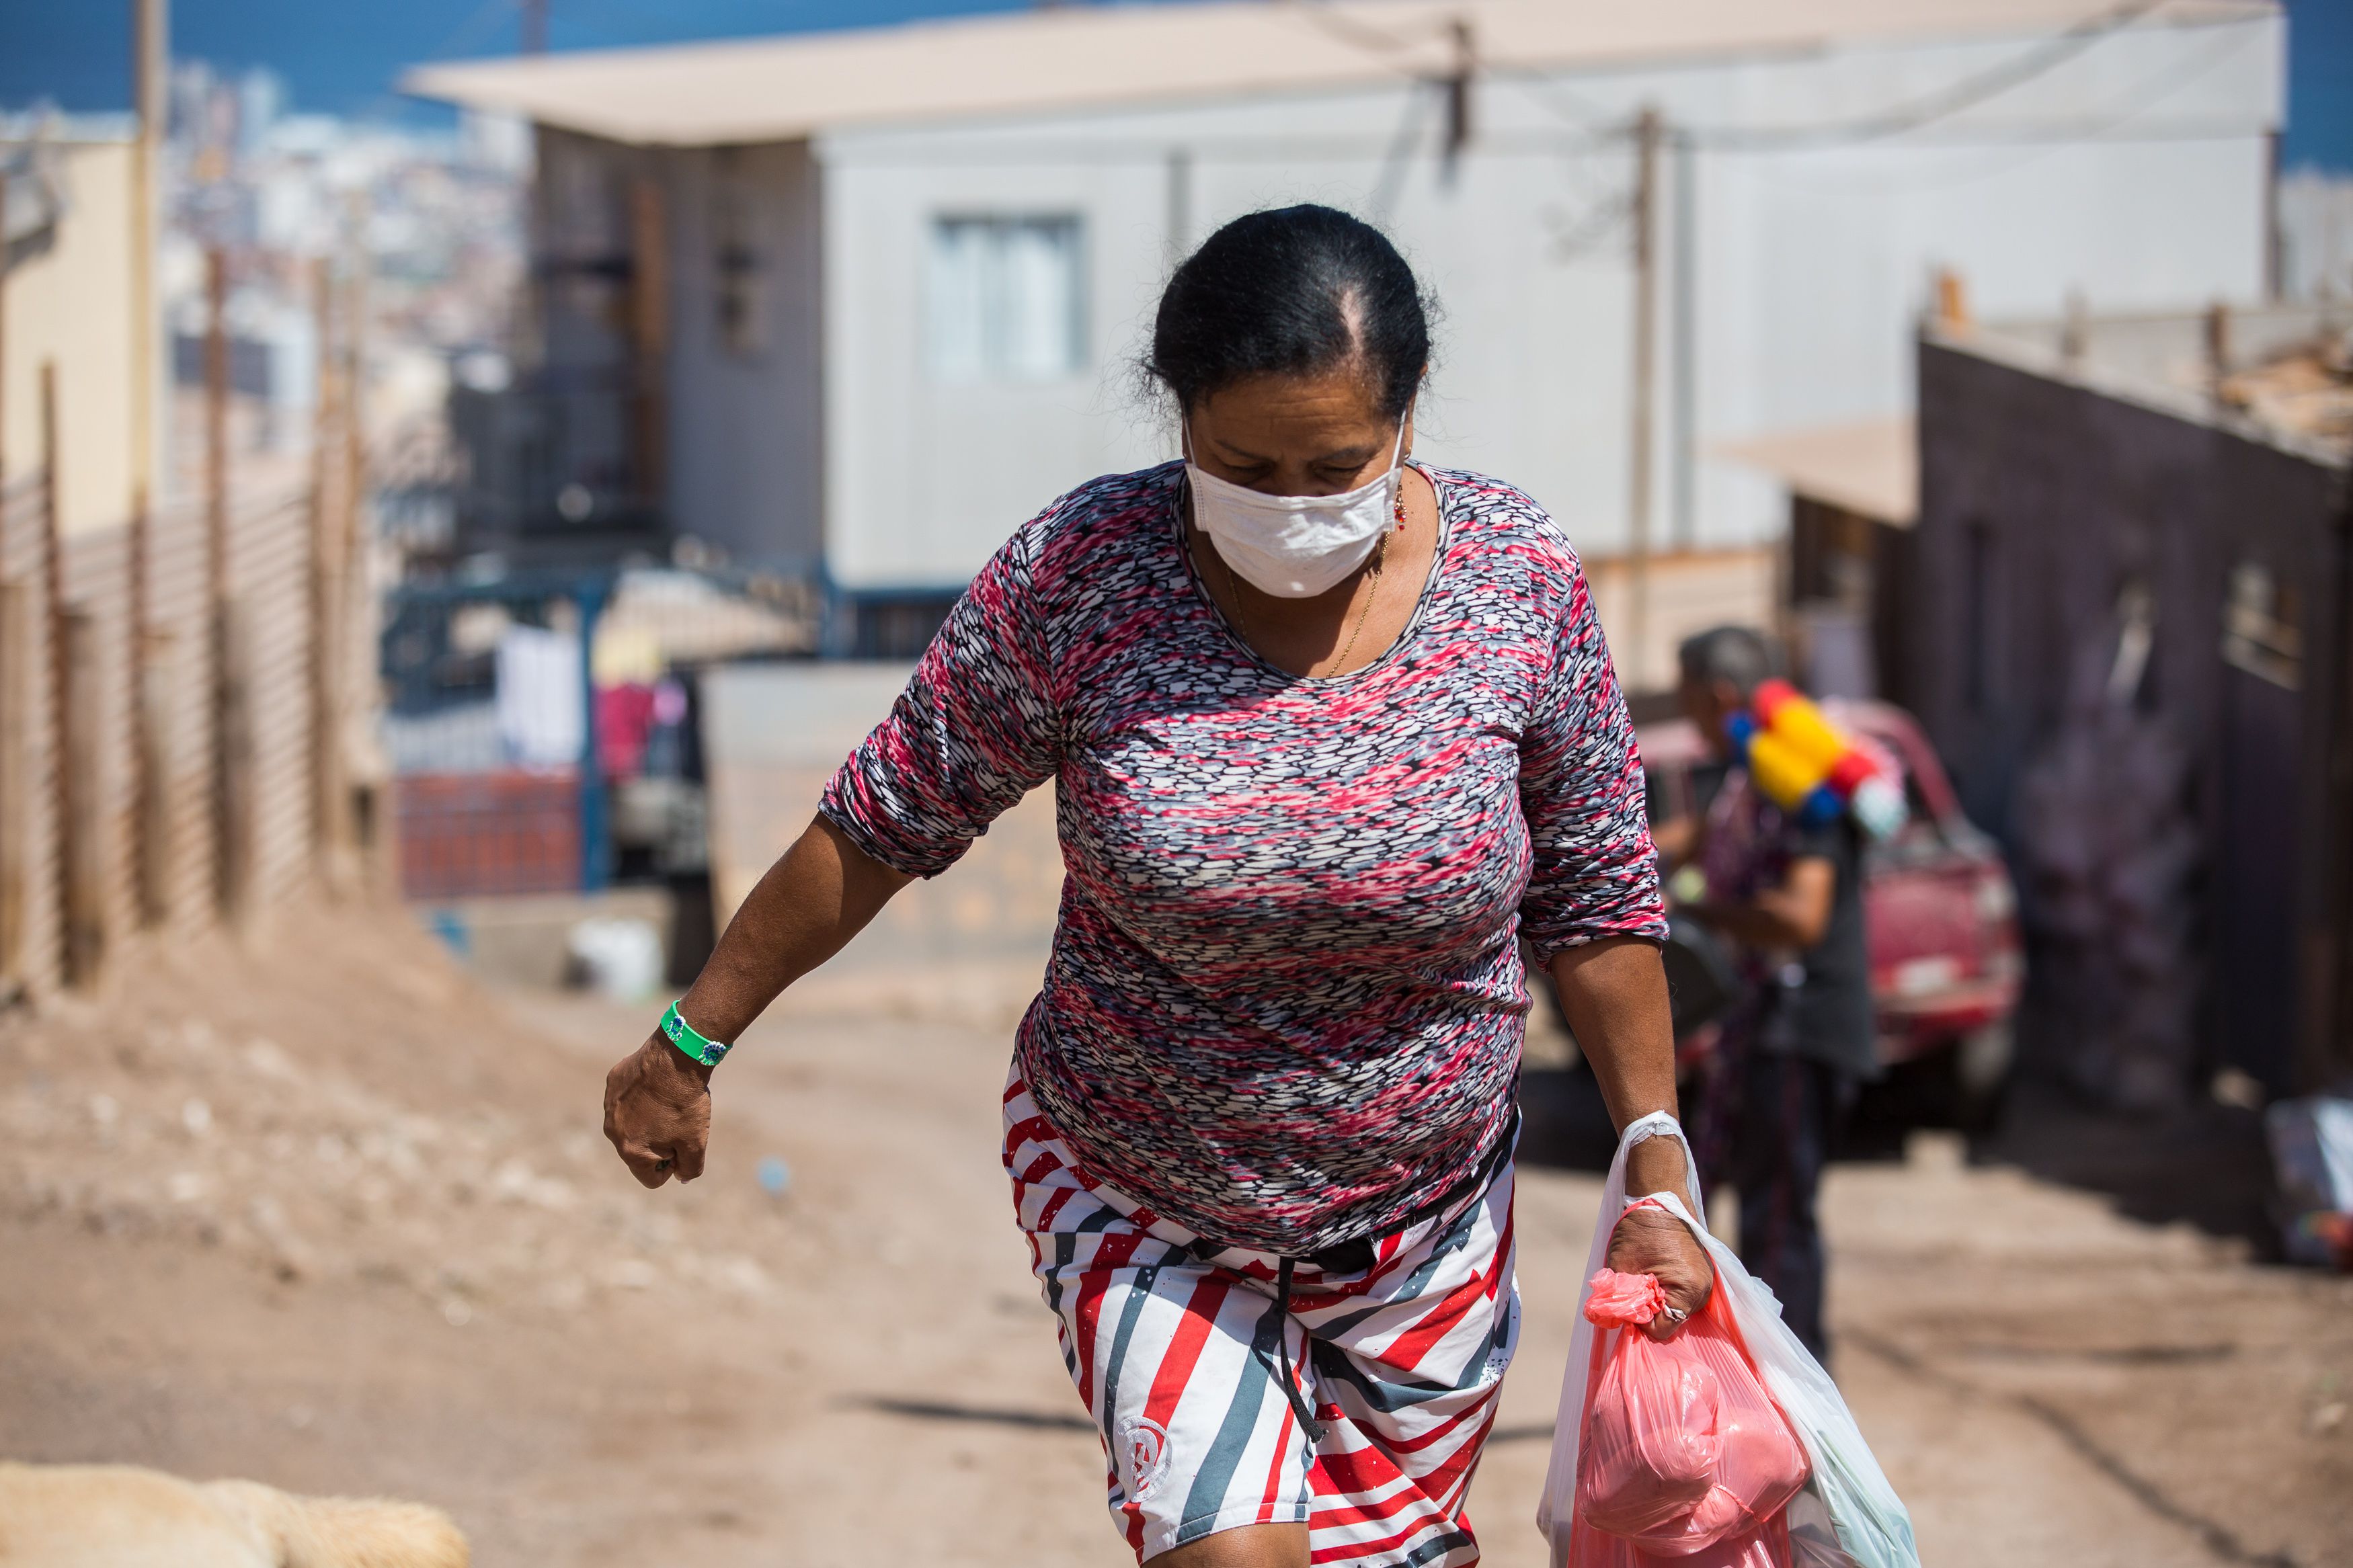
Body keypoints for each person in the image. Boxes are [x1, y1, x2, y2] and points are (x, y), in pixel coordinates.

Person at [602, 204, 1711, 1568]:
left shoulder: (1517, 579)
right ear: (1177, 419)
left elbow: (1597, 890)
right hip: (1143, 1185)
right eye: (1245, 462)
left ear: (1408, 418)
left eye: (1335, 464)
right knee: (1232, 1555)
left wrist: (1656, 1155)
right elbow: (885, 817)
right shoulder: (1082, 576)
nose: (1294, 503)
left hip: (1426, 1219)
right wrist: (692, 1032)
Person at [1669, 626, 1876, 1364]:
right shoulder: (1747, 781)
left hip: (1798, 1024)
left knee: (1779, 1222)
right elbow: (1688, 840)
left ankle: (1801, 1402)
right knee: (1763, 1214)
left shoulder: (1796, 781)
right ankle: (1776, 1391)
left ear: (1719, 695)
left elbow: (1800, 915)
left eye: (1688, 696)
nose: (1686, 713)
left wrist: (1698, 911)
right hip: (1764, 1025)